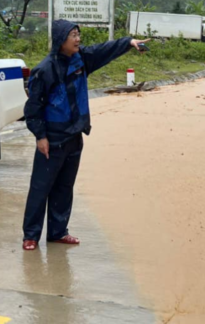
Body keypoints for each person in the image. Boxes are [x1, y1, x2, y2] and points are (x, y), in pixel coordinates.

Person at [21, 20, 148, 250]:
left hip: (74, 136)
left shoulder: (82, 59)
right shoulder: (45, 69)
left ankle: (58, 231)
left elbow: (104, 50)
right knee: (41, 187)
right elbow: (33, 109)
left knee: (64, 187)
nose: (78, 39)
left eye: (78, 34)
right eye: (73, 35)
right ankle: (31, 235)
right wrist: (41, 137)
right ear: (61, 39)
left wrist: (128, 43)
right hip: (53, 138)